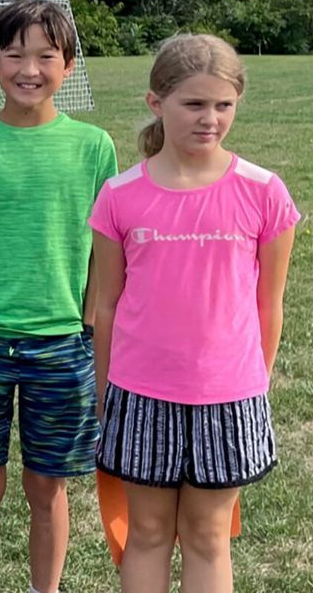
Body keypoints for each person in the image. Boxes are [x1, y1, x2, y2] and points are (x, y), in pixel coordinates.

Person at [88, 34, 298, 593]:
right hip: (140, 392)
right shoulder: (119, 194)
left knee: (207, 536)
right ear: (157, 103)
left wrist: (257, 380)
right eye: (194, 105)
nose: (210, 119)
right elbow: (105, 303)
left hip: (228, 395)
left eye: (223, 105)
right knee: (149, 533)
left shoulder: (264, 192)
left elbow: (268, 304)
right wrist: (106, 388)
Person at [0, 0, 116, 593]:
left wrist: (86, 321)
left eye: (45, 56)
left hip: (60, 345)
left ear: (69, 64)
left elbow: (108, 250)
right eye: (15, 55)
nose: (29, 69)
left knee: (47, 485)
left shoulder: (93, 146)